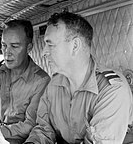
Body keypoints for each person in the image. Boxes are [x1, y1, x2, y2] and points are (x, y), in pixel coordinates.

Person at [24, 12, 133, 144]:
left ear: (75, 46)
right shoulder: (55, 84)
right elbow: (44, 129)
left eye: (50, 44)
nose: (43, 52)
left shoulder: (112, 90)